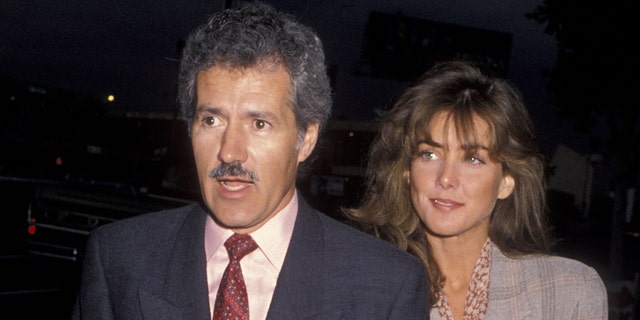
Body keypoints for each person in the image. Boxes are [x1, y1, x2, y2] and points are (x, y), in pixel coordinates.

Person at [71, 2, 428, 320]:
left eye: (259, 124)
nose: (230, 151)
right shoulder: (118, 258)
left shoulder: (387, 286)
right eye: (212, 120)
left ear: (305, 139)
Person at [343, 60, 608, 319]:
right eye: (429, 155)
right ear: (406, 172)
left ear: (506, 181)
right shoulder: (359, 288)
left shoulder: (569, 293)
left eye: (472, 159)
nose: (446, 178)